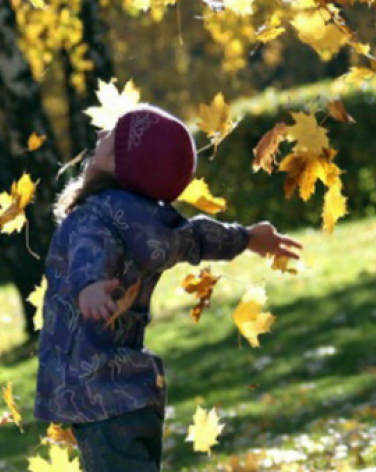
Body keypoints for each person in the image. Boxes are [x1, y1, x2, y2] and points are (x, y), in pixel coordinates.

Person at [34, 104, 302, 471]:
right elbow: (200, 237)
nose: (99, 137)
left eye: (110, 136)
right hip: (136, 390)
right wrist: (248, 237)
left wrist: (89, 286)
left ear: (120, 165)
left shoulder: (91, 218)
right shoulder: (158, 226)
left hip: (96, 392)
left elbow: (89, 249)